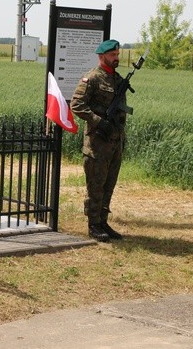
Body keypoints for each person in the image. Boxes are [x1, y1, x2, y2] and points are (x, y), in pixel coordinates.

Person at [70, 39, 127, 243]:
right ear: (102, 56)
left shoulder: (118, 80)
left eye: (117, 54)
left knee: (109, 184)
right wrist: (97, 121)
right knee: (96, 185)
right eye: (113, 55)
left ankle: (103, 221)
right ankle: (93, 224)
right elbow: (76, 105)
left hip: (114, 142)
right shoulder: (92, 78)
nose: (116, 58)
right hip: (97, 143)